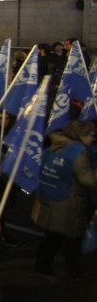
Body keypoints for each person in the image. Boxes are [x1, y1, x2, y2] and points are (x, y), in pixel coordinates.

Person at [33, 119, 97, 279]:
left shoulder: (56, 144)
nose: (93, 139)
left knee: (51, 237)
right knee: (72, 239)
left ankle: (43, 268)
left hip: (50, 198)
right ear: (82, 135)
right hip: (68, 203)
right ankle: (74, 273)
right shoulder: (78, 153)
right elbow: (89, 180)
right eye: (91, 135)